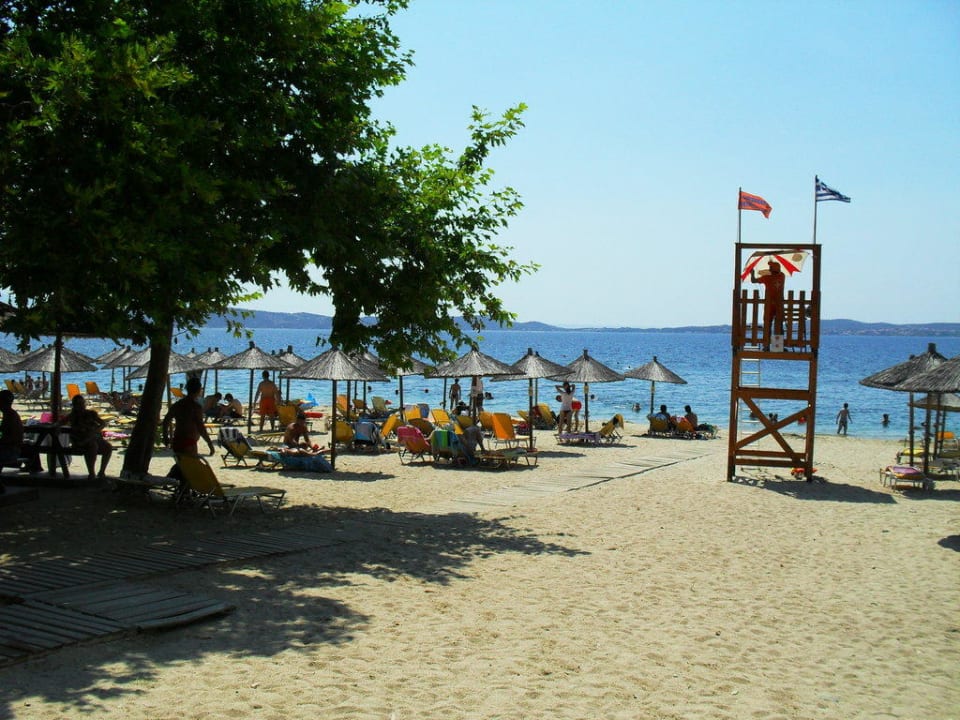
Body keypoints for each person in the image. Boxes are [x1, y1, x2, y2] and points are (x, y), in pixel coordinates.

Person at [59, 394, 113, 480]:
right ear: (74, 405)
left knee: (108, 447)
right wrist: (55, 427)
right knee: (92, 446)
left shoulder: (91, 413)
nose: (81, 406)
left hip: (92, 438)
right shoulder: (72, 416)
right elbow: (60, 423)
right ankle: (91, 473)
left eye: (82, 403)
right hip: (80, 440)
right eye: (78, 404)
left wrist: (96, 430)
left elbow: (103, 423)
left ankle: (102, 471)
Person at [162, 376, 215, 457]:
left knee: (181, 466)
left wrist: (166, 438)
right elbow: (201, 427)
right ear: (198, 390)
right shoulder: (195, 407)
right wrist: (209, 443)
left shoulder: (178, 404)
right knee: (191, 467)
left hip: (177, 441)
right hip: (189, 442)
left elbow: (166, 421)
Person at [751, 260, 785, 349]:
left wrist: (752, 273)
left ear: (772, 269)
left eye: (770, 267)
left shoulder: (766, 278)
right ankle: (778, 346)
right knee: (779, 325)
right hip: (779, 305)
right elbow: (775, 273)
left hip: (769, 305)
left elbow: (753, 280)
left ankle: (766, 346)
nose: (769, 269)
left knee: (767, 325)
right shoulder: (782, 276)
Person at [0, 389, 24, 490]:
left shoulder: (10, 416)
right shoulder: (10, 414)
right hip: (11, 448)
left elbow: (10, 439)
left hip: (11, 451)